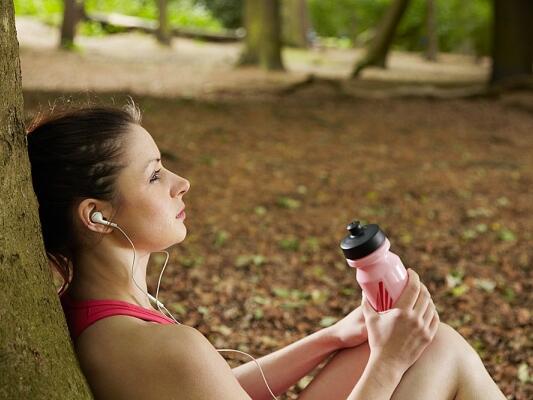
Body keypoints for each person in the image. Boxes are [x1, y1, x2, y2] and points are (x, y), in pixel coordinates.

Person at [26, 103, 507, 400]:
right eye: (154, 175)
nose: (181, 183)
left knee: (432, 342)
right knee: (438, 351)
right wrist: (388, 363)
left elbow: (213, 390)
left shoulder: (105, 313)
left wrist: (332, 337)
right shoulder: (150, 345)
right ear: (97, 216)